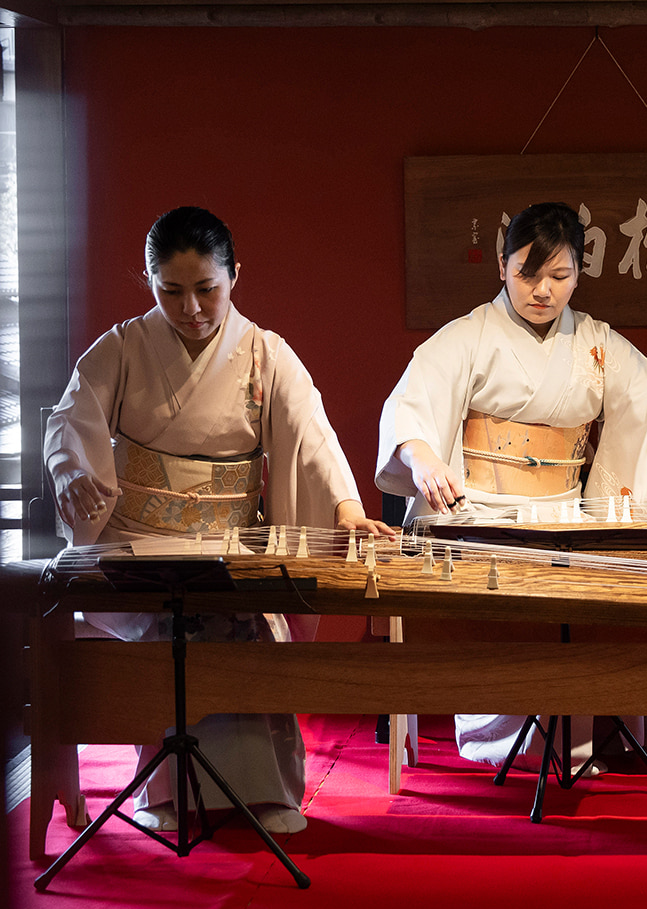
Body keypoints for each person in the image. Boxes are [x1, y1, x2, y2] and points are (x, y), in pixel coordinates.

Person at [376, 201, 647, 773]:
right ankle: (505, 737)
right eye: (528, 273)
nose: (543, 290)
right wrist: (424, 458)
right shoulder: (466, 337)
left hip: (562, 514)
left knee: (609, 582)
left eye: (559, 276)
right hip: (477, 514)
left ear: (580, 274)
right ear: (502, 267)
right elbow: (410, 407)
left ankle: (581, 728)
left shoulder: (594, 341)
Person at [45, 205, 393, 834]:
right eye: (170, 291)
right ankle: (164, 794)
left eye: (207, 289)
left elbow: (310, 433)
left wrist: (346, 508)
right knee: (167, 637)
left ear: (235, 275)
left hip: (234, 540)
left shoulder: (266, 353)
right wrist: (72, 470)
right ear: (150, 282)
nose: (191, 309)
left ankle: (270, 792)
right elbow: (70, 420)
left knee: (247, 634)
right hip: (142, 540)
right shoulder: (123, 348)